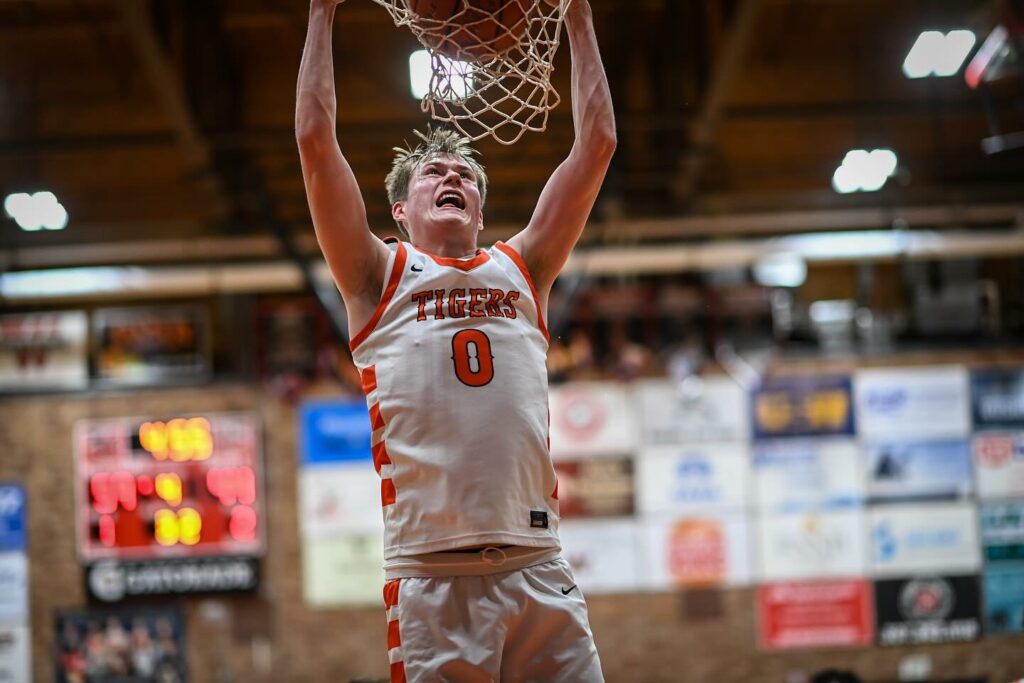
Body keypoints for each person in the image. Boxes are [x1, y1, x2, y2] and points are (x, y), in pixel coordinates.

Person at [296, 0, 615, 680]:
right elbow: (315, 144)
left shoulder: (525, 264)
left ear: (478, 205)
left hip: (539, 562)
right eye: (433, 174)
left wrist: (578, 16)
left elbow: (598, 146)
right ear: (400, 209)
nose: (453, 178)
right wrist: (322, 14)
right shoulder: (375, 272)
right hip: (433, 575)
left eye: (465, 175)